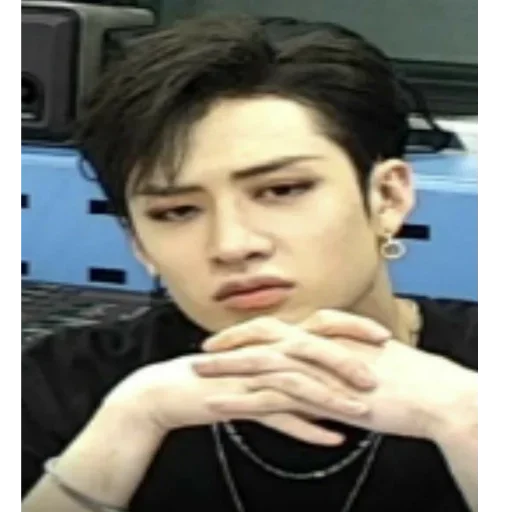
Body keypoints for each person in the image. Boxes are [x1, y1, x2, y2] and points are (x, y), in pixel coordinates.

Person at [17, 16, 480, 512]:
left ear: (386, 197)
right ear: (139, 243)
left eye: (282, 190)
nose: (233, 245)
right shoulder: (62, 386)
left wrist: (463, 419)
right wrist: (129, 425)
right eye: (176, 212)